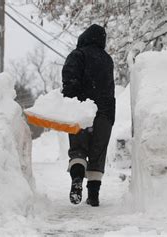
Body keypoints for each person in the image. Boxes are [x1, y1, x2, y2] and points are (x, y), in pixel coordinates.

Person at [61, 24, 115, 207]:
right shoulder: (108, 60)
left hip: (81, 109)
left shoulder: (78, 55)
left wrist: (68, 100)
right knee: (97, 153)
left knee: (78, 148)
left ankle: (77, 180)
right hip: (105, 113)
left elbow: (69, 78)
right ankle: (93, 195)